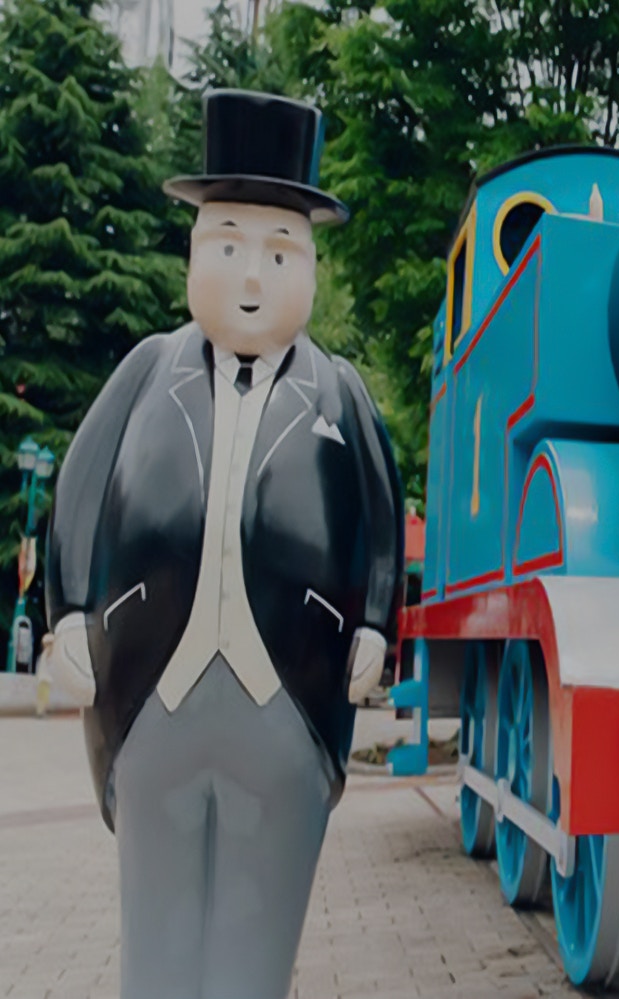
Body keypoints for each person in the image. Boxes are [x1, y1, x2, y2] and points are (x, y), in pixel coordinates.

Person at [41, 90, 403, 999]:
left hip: (289, 690)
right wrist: (69, 609)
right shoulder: (144, 372)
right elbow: (78, 488)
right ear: (195, 247)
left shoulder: (340, 392)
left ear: (310, 262)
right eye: (228, 242)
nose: (252, 276)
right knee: (157, 932)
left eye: (279, 252)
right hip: (151, 685)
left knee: (256, 929)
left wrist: (374, 622)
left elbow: (381, 510)